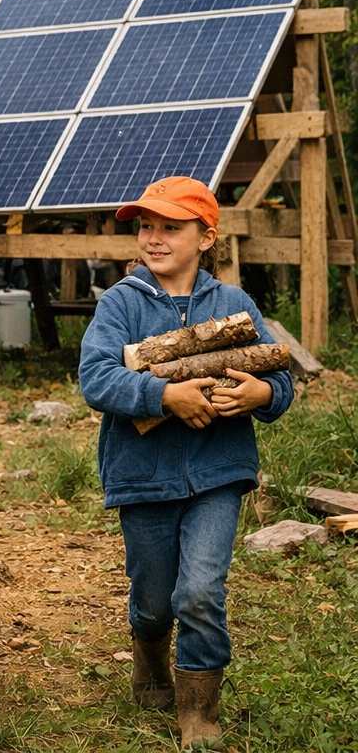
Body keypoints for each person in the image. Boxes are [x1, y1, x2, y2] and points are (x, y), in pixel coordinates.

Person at [78, 177, 293, 751]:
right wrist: (163, 396)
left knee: (199, 591)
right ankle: (150, 648)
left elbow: (278, 374)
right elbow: (96, 377)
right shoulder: (122, 302)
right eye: (146, 226)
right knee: (155, 600)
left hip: (218, 474)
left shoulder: (234, 304)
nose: (153, 237)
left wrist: (260, 396)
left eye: (170, 227)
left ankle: (199, 709)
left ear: (206, 237)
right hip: (142, 476)